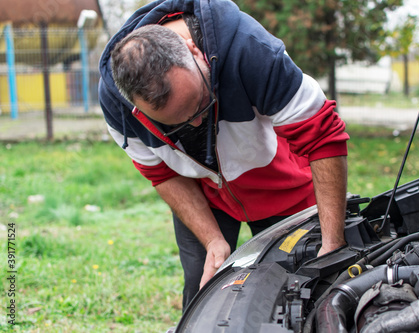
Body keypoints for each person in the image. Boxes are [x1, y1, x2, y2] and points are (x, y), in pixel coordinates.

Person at [98, 0, 349, 310]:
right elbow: (162, 174)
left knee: (300, 285)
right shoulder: (116, 104)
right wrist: (213, 240)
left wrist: (332, 243)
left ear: (192, 49)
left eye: (201, 104)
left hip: (282, 184)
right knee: (202, 285)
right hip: (203, 195)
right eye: (175, 124)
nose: (197, 123)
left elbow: (322, 136)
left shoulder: (251, 50)